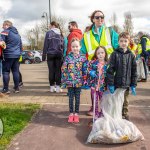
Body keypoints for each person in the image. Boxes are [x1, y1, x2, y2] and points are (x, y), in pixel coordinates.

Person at [81, 10, 119, 116]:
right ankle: (94, 108)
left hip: (109, 67)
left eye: (102, 17)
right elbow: (81, 52)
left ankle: (106, 109)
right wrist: (84, 70)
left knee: (107, 88)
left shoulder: (110, 31)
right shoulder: (86, 35)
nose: (100, 19)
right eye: (97, 17)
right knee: (94, 89)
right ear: (93, 19)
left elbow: (118, 46)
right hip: (94, 68)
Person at [106, 32, 137, 120]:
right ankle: (116, 114)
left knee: (125, 101)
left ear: (129, 42)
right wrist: (111, 83)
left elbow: (134, 71)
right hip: (116, 83)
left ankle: (125, 113)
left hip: (127, 84)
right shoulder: (114, 54)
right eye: (121, 41)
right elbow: (110, 70)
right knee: (116, 100)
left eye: (125, 41)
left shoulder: (131, 55)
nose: (123, 43)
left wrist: (133, 84)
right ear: (118, 42)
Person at [61, 38, 87, 123]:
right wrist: (63, 82)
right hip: (69, 82)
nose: (75, 48)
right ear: (70, 48)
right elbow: (64, 69)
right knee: (71, 98)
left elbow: (85, 70)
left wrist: (85, 80)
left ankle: (76, 114)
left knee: (78, 98)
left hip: (79, 82)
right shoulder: (68, 58)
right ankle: (71, 113)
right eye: (73, 47)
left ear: (80, 47)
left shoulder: (83, 58)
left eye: (76, 46)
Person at [86, 46, 108, 121]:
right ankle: (95, 116)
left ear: (105, 54)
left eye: (102, 53)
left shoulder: (107, 64)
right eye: (98, 53)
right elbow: (87, 68)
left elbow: (110, 75)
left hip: (103, 87)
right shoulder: (93, 63)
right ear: (96, 54)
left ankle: (102, 115)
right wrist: (90, 72)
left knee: (103, 102)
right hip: (94, 87)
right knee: (95, 102)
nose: (100, 54)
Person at [0, 20, 22, 94]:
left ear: (7, 25)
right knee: (15, 71)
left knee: (6, 72)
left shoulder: (5, 32)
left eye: (3, 26)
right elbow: (21, 46)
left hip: (7, 55)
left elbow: (1, 43)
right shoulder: (17, 34)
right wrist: (19, 54)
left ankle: (6, 89)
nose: (2, 27)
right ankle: (17, 88)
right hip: (17, 55)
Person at [42, 21, 64, 93]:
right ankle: (58, 87)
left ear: (53, 25)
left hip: (50, 54)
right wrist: (62, 54)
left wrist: (43, 56)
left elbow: (46, 45)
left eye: (50, 25)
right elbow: (63, 45)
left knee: (51, 71)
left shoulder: (48, 33)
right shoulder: (60, 33)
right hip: (59, 54)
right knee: (58, 71)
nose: (49, 26)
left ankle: (51, 87)